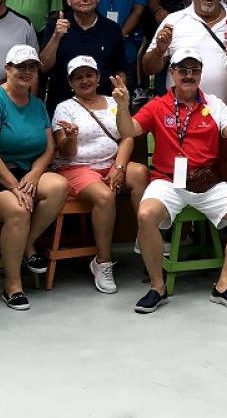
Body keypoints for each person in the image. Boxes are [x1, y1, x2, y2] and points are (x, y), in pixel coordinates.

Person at [110, 52, 227, 314]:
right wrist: (122, 106)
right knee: (145, 214)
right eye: (182, 69)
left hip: (205, 182)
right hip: (167, 181)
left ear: (200, 74)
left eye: (194, 70)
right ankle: (157, 287)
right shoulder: (157, 105)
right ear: (172, 73)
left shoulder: (215, 104)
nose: (188, 75)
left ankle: (223, 284)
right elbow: (128, 131)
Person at [0, 44, 68, 311]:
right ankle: (12, 284)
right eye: (20, 67)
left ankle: (26, 244)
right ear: (7, 69)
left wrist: (35, 175)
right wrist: (15, 187)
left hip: (26, 172)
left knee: (59, 185)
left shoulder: (37, 104)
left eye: (32, 67)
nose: (26, 72)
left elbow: (48, 148)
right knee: (19, 209)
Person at [51, 56, 148, 294]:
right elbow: (66, 150)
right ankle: (102, 262)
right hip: (76, 167)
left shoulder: (113, 101)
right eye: (78, 77)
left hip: (111, 163)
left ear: (97, 77)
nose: (85, 80)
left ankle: (145, 239)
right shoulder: (65, 107)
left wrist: (120, 167)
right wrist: (71, 137)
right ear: (70, 82)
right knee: (105, 196)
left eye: (89, 75)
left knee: (142, 173)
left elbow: (127, 136)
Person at [141, 0, 227, 112]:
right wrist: (159, 51)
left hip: (224, 117)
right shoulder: (174, 20)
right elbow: (148, 69)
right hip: (181, 116)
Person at [39, 0, 126, 108]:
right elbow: (43, 66)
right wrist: (56, 36)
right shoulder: (55, 26)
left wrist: (120, 102)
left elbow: (120, 71)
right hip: (62, 107)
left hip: (103, 108)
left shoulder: (112, 29)